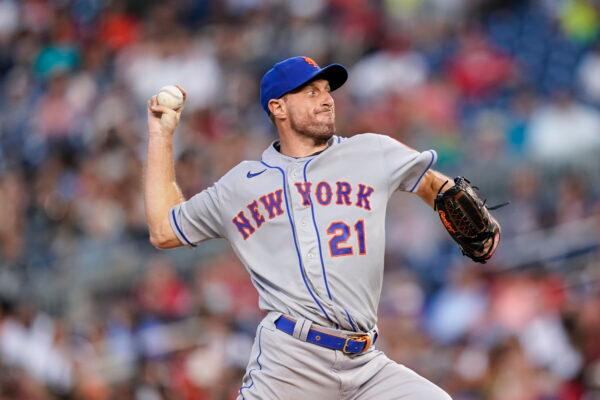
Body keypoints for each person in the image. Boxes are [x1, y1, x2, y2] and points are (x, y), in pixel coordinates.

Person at [144, 56, 496, 399]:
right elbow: (164, 228)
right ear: (278, 107)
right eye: (311, 92)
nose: (327, 99)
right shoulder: (240, 186)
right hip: (290, 363)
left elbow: (434, 185)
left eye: (327, 90)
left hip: (366, 362)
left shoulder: (371, 151)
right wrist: (161, 137)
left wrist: (456, 204)